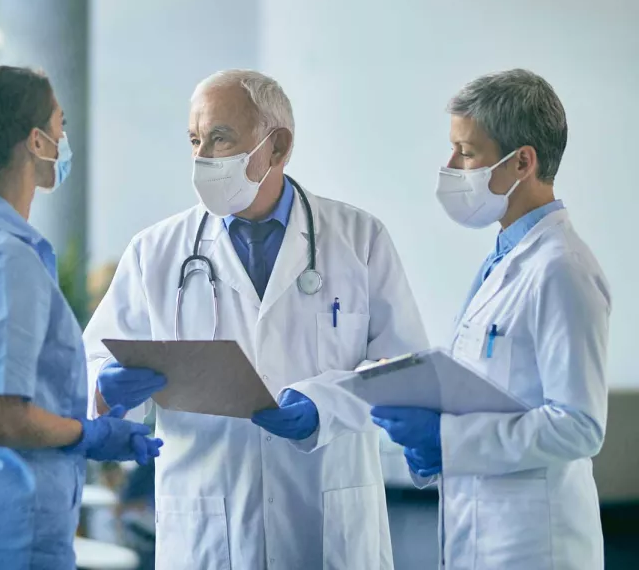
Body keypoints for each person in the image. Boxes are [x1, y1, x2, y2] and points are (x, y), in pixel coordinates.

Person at [83, 69, 428, 569]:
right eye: (195, 140)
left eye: (220, 139)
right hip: (207, 526)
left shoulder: (359, 239)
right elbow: (97, 355)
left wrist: (325, 406)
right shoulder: (155, 252)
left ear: (278, 146)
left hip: (326, 520)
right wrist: (105, 386)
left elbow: (404, 369)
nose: (202, 158)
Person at [0, 67, 162, 570]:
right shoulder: (5, 258)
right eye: (61, 126)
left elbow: (16, 390)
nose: (66, 141)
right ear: (37, 141)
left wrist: (94, 400)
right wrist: (89, 435)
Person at [371, 69, 610, 570]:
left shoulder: (561, 267)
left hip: (534, 545)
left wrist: (446, 441)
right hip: (480, 531)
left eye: (467, 152)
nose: (451, 167)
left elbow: (580, 426)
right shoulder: (506, 257)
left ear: (523, 161)